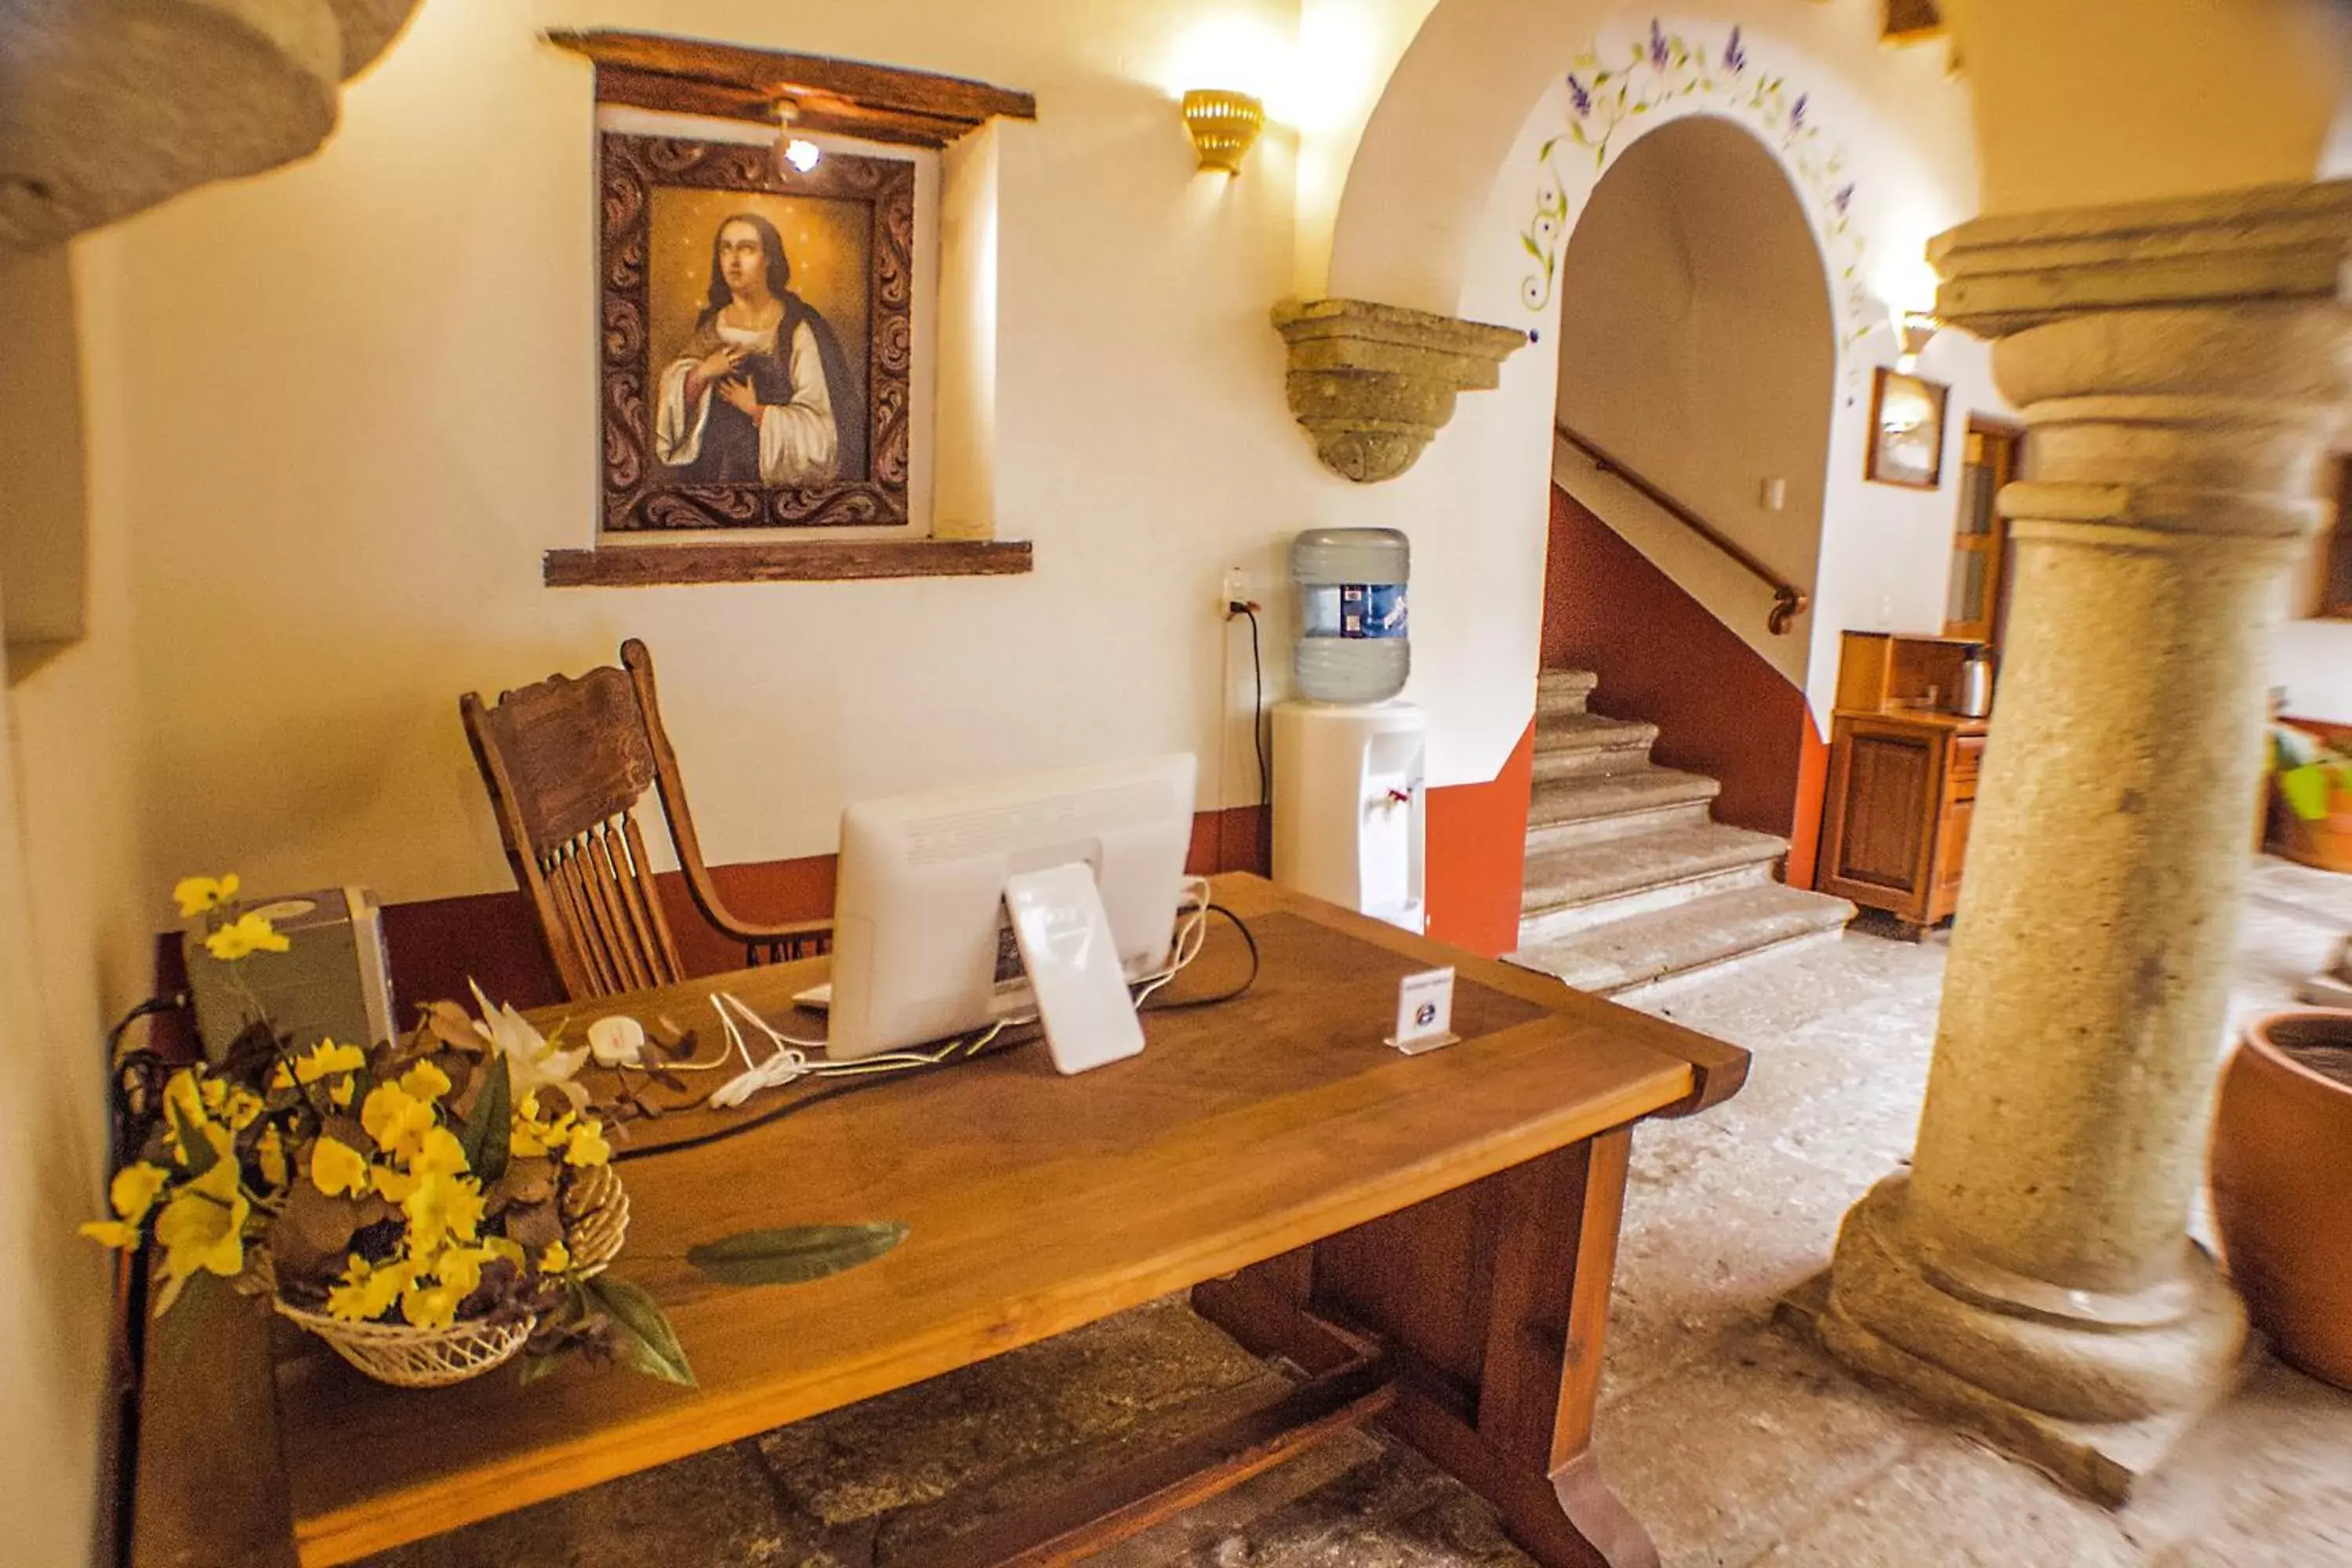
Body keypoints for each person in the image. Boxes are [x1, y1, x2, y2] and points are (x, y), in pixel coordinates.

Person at [654, 212, 863, 486]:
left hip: (766, 479)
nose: (734, 261)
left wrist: (757, 411)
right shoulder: (712, 325)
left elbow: (823, 430)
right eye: (726, 248)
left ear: (769, 259)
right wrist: (703, 372)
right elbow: (676, 401)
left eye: (747, 249)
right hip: (712, 476)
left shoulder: (796, 327)